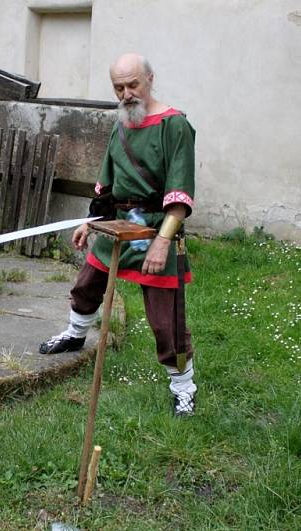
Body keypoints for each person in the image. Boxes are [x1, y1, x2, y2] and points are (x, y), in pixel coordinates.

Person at [39, 53, 198, 417]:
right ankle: (75, 335)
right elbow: (106, 186)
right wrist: (89, 222)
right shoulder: (121, 124)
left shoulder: (175, 126)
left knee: (165, 320)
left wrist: (161, 242)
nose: (126, 94)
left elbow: (180, 197)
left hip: (156, 229)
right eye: (118, 87)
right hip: (117, 225)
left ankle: (184, 387)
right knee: (87, 285)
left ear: (150, 79)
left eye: (133, 85)